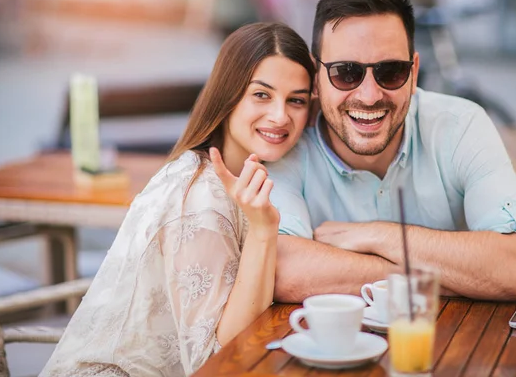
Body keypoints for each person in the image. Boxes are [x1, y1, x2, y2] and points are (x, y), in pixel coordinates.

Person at [41, 22, 314, 376]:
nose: (280, 116)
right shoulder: (199, 196)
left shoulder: (245, 177)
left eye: (296, 100)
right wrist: (264, 231)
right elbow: (219, 359)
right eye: (262, 95)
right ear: (228, 95)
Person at [267, 0, 516, 303]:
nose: (369, 95)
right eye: (346, 72)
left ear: (414, 72)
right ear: (316, 77)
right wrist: (449, 275)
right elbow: (284, 271)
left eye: (390, 72)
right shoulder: (287, 141)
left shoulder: (459, 125)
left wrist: (377, 236)